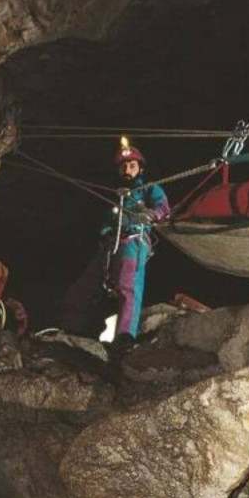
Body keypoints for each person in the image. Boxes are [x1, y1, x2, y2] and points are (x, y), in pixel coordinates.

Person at [63, 137, 170, 352]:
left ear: (140, 169)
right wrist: (105, 233)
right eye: (123, 167)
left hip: (134, 240)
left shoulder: (148, 189)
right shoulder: (118, 196)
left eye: (132, 166)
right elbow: (107, 222)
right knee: (84, 286)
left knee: (127, 285)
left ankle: (125, 336)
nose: (127, 170)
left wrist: (151, 214)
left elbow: (163, 208)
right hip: (110, 245)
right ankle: (72, 328)